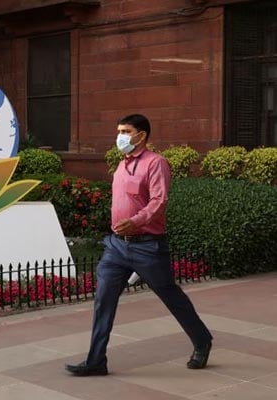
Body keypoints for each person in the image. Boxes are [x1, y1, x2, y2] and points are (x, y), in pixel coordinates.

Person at [65, 114, 213, 377]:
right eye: (119, 130)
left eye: (126, 130)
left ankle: (202, 340)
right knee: (103, 300)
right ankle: (96, 360)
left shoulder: (156, 163)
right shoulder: (122, 165)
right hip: (116, 248)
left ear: (141, 135)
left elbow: (159, 201)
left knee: (171, 296)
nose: (120, 136)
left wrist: (136, 221)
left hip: (147, 246)